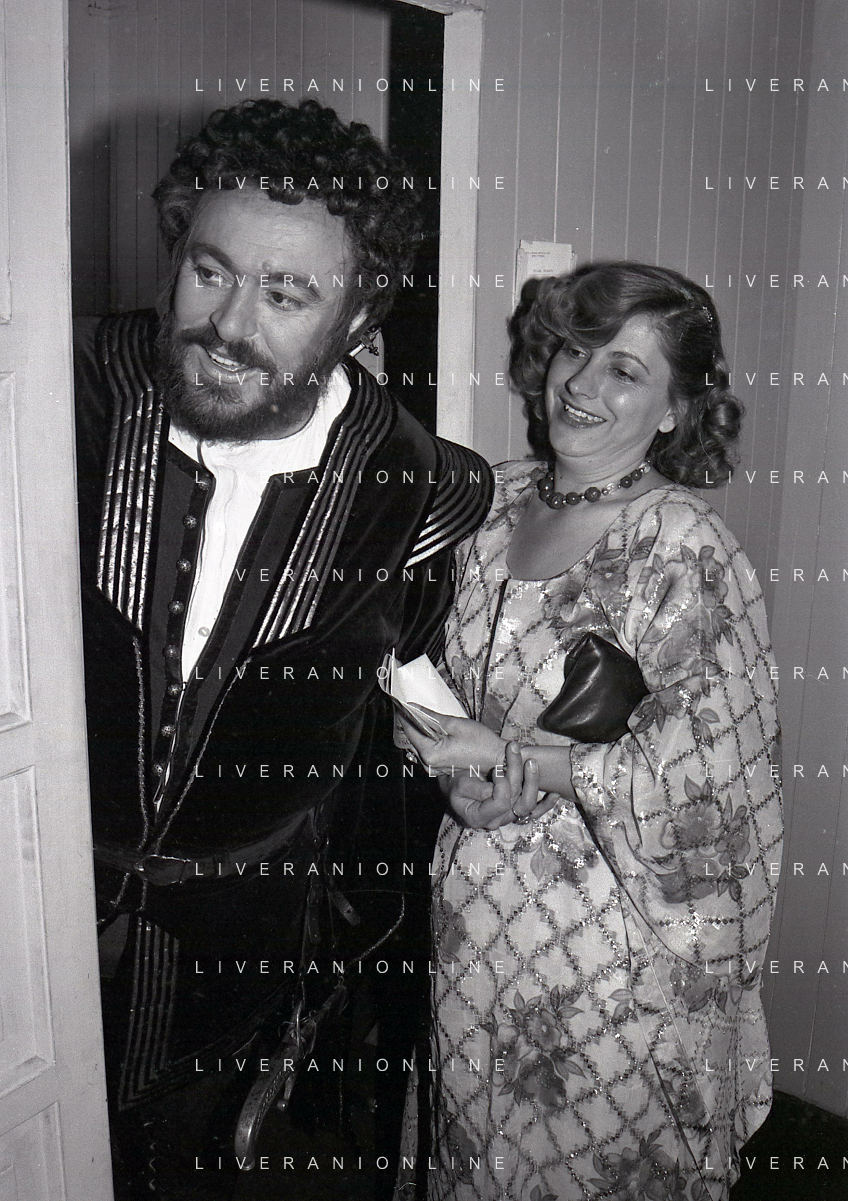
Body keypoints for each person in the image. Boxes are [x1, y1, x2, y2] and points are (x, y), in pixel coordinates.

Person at [73, 97, 492, 1200]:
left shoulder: (414, 484)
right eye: (208, 271)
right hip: (37, 896)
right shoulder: (64, 396)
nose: (227, 324)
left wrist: (465, 754)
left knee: (187, 1153)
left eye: (285, 294)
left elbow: (402, 657)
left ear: (359, 312)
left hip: (241, 929)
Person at [399, 263, 783, 1201]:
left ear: (676, 410)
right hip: (475, 922)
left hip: (612, 955)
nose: (580, 383)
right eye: (577, 350)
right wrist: (455, 774)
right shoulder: (486, 503)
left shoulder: (684, 549)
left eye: (625, 370)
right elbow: (431, 683)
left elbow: (714, 788)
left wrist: (518, 760)